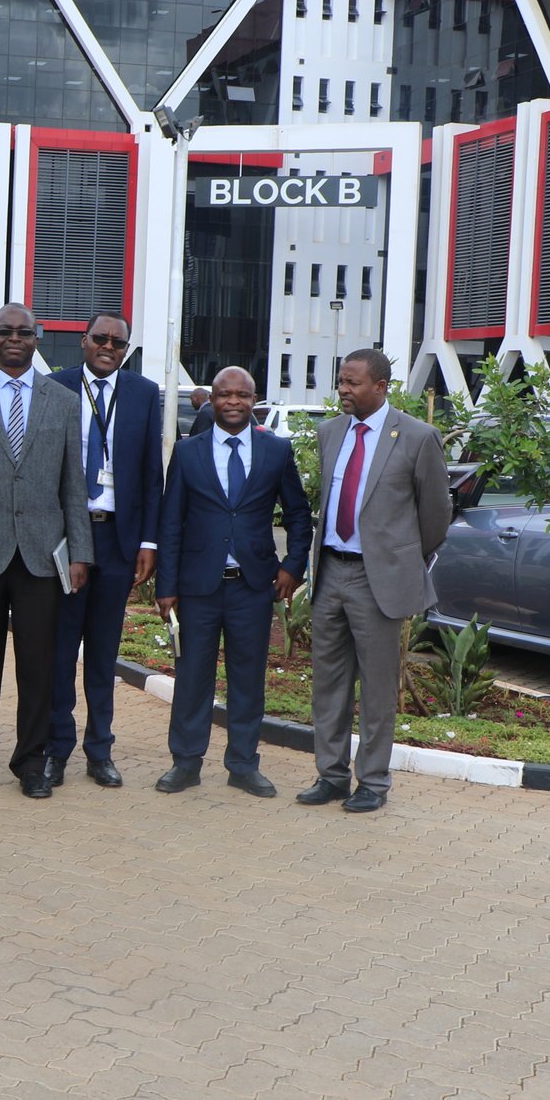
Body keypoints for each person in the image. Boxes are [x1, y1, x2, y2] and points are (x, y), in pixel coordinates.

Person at [0, 304, 92, 799]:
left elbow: (73, 485)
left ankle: (31, 762)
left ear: (38, 338)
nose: (13, 339)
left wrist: (79, 554)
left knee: (38, 665)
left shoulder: (64, 402)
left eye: (23, 332)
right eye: (4, 331)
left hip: (42, 557)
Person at [302, 349, 451, 814]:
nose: (343, 390)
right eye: (341, 381)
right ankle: (330, 776)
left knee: (378, 686)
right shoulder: (330, 433)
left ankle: (373, 781)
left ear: (381, 385)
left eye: (353, 382)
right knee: (328, 682)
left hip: (377, 578)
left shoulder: (417, 436)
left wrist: (400, 559)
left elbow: (435, 516)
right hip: (331, 573)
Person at [154, 366, 312, 799]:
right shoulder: (188, 453)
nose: (234, 403)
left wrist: (292, 566)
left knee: (247, 679)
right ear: (212, 399)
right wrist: (166, 585)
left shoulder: (276, 451)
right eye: (225, 395)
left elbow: (298, 515)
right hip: (197, 587)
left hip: (252, 587)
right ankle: (185, 764)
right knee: (192, 678)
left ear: (254, 399)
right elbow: (171, 522)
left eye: (243, 395)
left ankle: (243, 765)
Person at [46, 310, 163, 788]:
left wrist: (149, 541)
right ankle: (55, 750)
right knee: (59, 652)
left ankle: (100, 751)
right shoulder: (55, 387)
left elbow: (151, 471)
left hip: (118, 538)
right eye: (101, 339)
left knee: (103, 652)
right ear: (83, 341)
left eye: (118, 342)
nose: (109, 348)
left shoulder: (143, 393)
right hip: (66, 539)